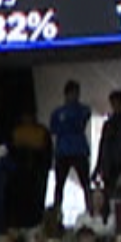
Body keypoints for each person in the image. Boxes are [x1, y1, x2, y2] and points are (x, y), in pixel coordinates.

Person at [47, 83, 94, 221]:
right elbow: (54, 129)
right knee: (59, 185)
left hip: (79, 150)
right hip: (63, 151)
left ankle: (91, 212)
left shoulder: (84, 109)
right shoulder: (57, 112)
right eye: (72, 93)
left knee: (86, 184)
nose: (74, 96)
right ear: (66, 94)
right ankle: (56, 215)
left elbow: (82, 120)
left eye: (76, 93)